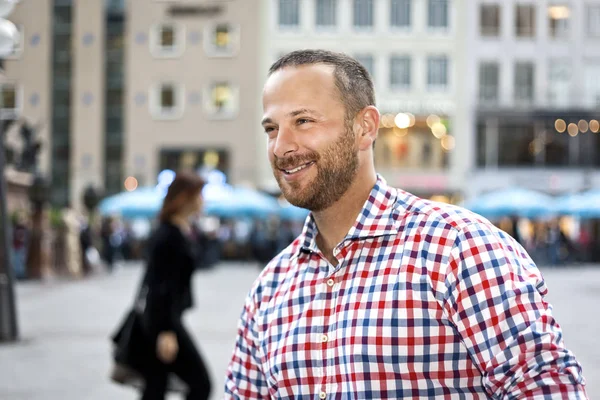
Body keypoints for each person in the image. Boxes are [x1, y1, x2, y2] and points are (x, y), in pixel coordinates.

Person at [224, 50, 587, 398]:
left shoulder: (461, 249)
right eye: (271, 128)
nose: (280, 147)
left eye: (303, 121)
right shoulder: (269, 290)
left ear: (365, 127)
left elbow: (545, 386)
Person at [140, 171, 212, 400]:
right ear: (185, 198)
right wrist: (167, 331)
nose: (202, 201)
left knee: (155, 387)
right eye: (199, 195)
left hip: (163, 320)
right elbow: (161, 286)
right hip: (162, 322)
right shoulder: (168, 235)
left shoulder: (180, 230)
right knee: (200, 384)